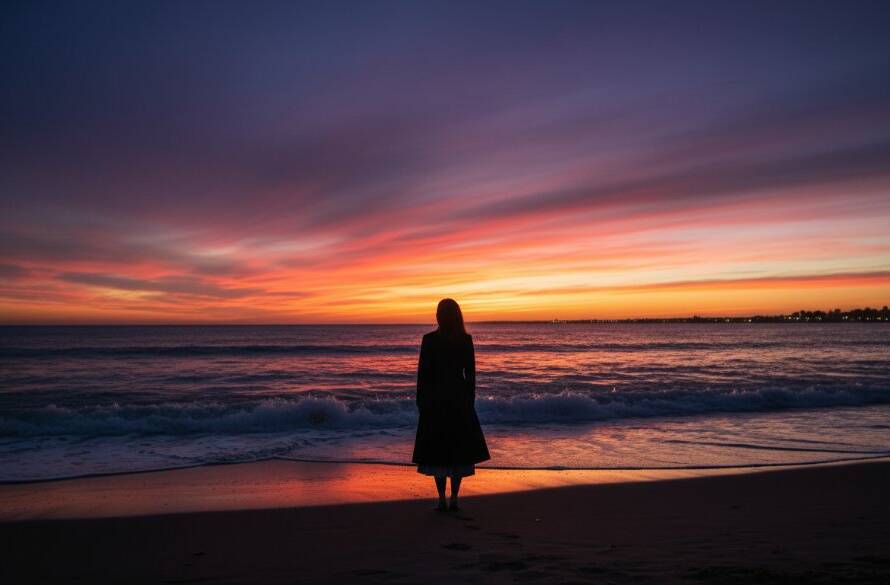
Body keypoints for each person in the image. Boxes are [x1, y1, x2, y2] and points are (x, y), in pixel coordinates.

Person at [412, 298, 490, 512]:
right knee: (457, 452)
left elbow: (423, 375)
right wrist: (469, 399)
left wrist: (421, 400)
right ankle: (454, 498)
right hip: (458, 399)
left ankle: (441, 499)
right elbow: (471, 375)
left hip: (436, 400)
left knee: (438, 451)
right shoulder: (464, 339)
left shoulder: (429, 340)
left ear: (439, 315)